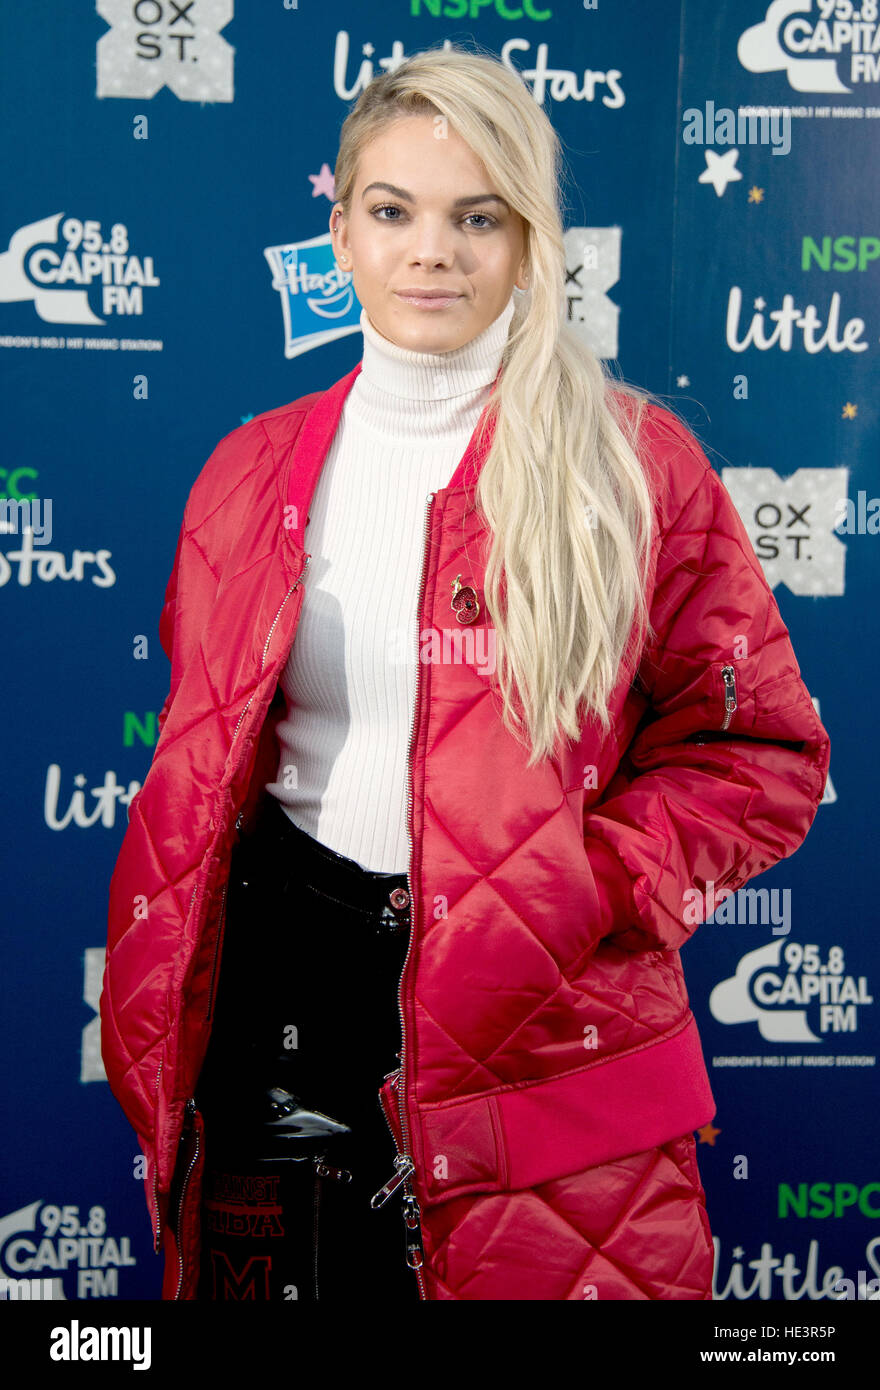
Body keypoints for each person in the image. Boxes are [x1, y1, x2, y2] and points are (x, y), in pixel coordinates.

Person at [100, 44, 830, 1302]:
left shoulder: (636, 468)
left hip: (543, 1039)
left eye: (475, 216)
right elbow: (212, 754)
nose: (430, 251)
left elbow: (761, 753)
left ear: (530, 240)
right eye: (393, 212)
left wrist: (578, 883)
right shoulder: (246, 472)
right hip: (278, 1035)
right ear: (338, 229)